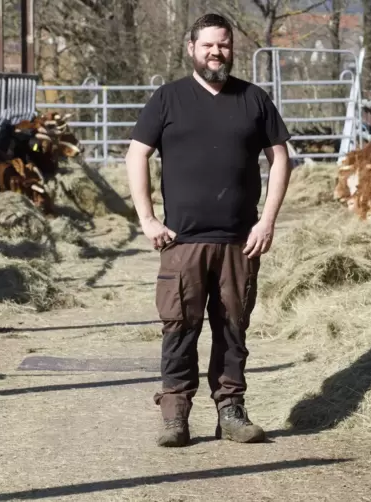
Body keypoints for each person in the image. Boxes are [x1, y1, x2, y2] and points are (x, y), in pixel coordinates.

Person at [125, 13, 292, 447]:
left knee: (233, 328)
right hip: (182, 240)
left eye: (224, 45)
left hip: (240, 240)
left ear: (232, 48)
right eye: (208, 45)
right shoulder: (168, 99)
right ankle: (175, 415)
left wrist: (267, 220)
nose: (217, 53)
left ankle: (231, 412)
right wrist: (147, 218)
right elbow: (136, 155)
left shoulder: (254, 99)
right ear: (191, 48)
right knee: (179, 327)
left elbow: (281, 159)